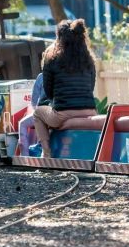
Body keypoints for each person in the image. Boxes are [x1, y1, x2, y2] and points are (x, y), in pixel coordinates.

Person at [33, 19, 97, 158]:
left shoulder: (52, 59)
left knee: (37, 113)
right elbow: (91, 87)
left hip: (63, 113)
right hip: (89, 110)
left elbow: (48, 91)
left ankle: (46, 152)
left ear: (60, 38)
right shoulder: (89, 60)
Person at [17, 72, 45, 156]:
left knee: (22, 124)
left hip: (45, 112)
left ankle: (25, 156)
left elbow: (33, 100)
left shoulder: (41, 76)